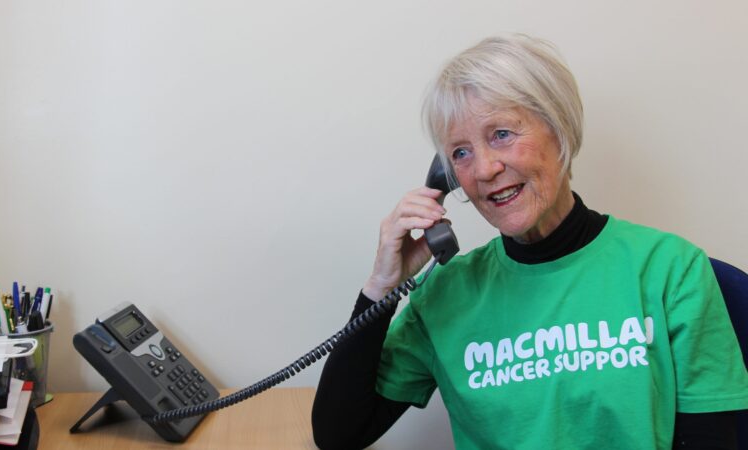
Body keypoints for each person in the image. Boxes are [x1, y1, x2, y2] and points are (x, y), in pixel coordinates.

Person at [311, 34, 748, 449]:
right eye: (460, 153)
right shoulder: (447, 292)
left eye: (501, 134)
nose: (483, 170)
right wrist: (381, 287)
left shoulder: (671, 270)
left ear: (559, 131)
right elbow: (338, 433)